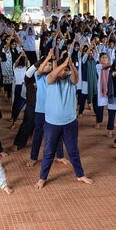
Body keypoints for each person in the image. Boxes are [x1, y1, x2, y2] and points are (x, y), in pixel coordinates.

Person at [35, 54, 94, 189]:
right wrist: (63, 64)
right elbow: (53, 74)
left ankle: (80, 175)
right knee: (49, 152)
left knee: (73, 151)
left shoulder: (71, 81)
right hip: (52, 123)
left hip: (70, 123)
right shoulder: (50, 79)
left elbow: (76, 77)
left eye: (66, 70)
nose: (64, 72)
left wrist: (71, 65)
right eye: (62, 69)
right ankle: (42, 178)